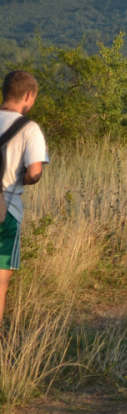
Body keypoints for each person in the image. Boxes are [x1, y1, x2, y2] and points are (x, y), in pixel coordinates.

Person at [0, 71, 48, 329]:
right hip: (6, 210)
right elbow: (35, 172)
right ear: (29, 96)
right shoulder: (29, 129)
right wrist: (22, 180)